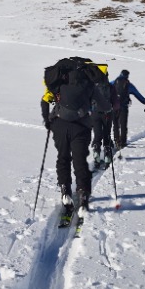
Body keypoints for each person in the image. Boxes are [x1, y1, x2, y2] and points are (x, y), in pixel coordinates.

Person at [41, 76, 93, 217]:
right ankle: (82, 195)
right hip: (81, 126)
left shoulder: (57, 83)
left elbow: (45, 101)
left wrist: (47, 120)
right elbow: (101, 104)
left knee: (63, 157)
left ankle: (65, 191)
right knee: (79, 160)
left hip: (59, 124)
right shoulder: (86, 82)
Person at [111, 69, 145, 149]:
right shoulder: (129, 85)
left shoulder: (113, 82)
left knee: (116, 124)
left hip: (114, 106)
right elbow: (137, 94)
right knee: (123, 124)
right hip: (124, 107)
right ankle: (123, 142)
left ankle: (116, 140)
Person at [90, 63, 118, 169]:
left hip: (95, 114)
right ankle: (107, 158)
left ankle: (96, 155)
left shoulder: (92, 87)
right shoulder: (110, 87)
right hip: (107, 114)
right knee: (106, 135)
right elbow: (116, 103)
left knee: (97, 135)